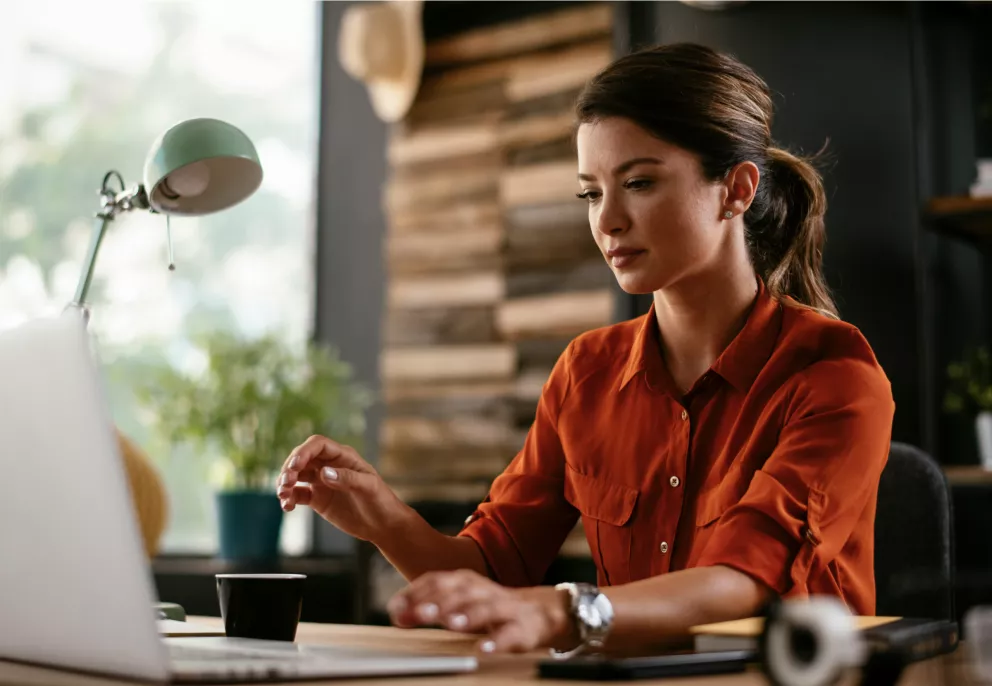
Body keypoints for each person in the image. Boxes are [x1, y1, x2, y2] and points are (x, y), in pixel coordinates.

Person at [276, 42, 894, 656]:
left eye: (640, 183)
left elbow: (745, 580)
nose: (608, 221)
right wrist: (383, 518)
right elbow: (495, 571)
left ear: (736, 189)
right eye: (591, 193)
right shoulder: (585, 373)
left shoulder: (835, 375)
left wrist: (569, 610)